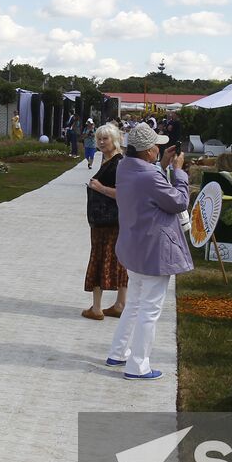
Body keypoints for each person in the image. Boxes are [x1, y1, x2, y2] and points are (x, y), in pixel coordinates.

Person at [107, 123, 193, 379]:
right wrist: (178, 173)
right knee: (150, 310)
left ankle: (118, 352)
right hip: (155, 251)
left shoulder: (125, 166)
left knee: (134, 303)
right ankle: (138, 365)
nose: (160, 148)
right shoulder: (149, 175)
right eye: (156, 146)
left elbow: (151, 184)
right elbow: (178, 202)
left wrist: (163, 165)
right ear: (147, 152)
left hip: (134, 248)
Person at [83, 123, 127, 320]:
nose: (100, 142)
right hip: (106, 220)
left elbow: (124, 194)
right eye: (99, 139)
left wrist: (99, 188)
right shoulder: (109, 160)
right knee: (118, 259)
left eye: (105, 139)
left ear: (115, 140)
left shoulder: (118, 163)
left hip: (109, 221)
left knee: (102, 258)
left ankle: (97, 308)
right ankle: (119, 304)